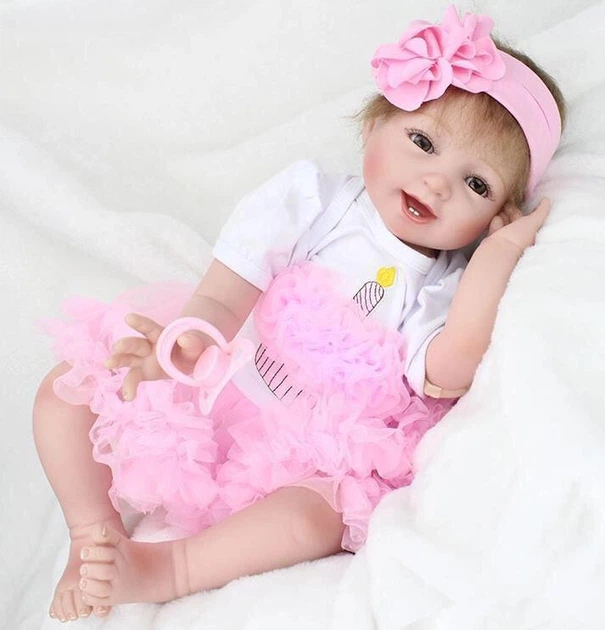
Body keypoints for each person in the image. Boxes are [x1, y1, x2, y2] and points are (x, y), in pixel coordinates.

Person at [33, 4, 566, 623]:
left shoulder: (448, 283)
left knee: (313, 519)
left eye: (477, 184)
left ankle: (170, 567)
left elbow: (448, 370)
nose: (438, 183)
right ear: (375, 125)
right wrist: (184, 345)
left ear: (496, 215)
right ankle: (91, 530)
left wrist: (495, 260)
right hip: (225, 378)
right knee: (66, 392)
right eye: (423, 142)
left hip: (310, 452)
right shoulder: (313, 200)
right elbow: (227, 291)